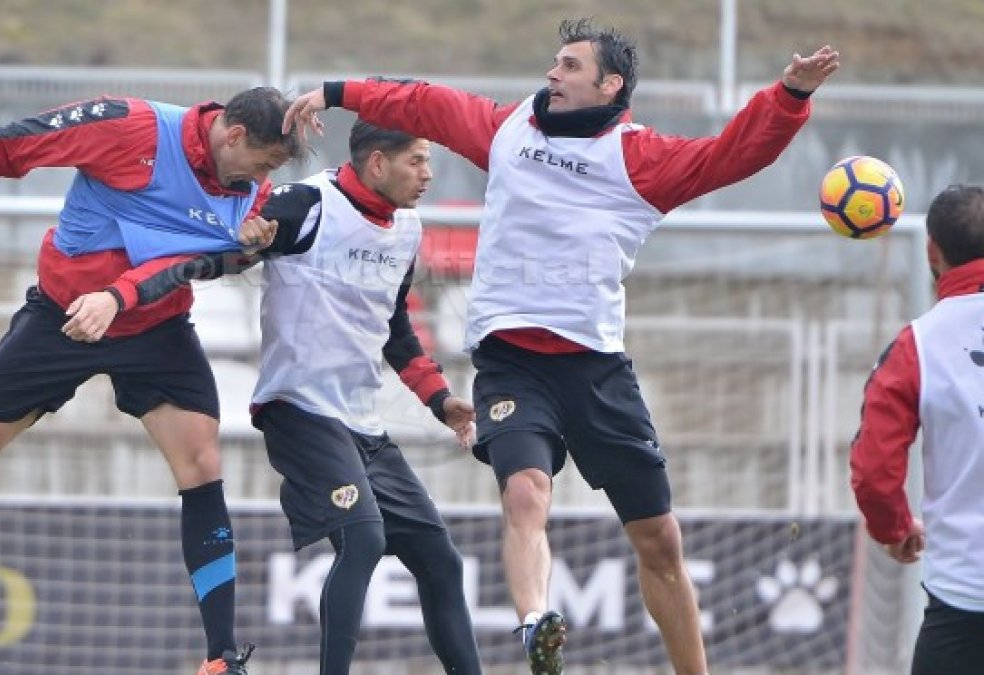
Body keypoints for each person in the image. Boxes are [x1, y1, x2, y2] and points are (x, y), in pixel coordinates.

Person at [282, 17, 839, 675]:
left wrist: (789, 98)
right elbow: (425, 102)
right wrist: (336, 91)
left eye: (571, 66)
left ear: (610, 84)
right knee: (524, 492)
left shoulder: (640, 159)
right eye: (554, 61)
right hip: (511, 362)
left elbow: (732, 154)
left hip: (595, 368)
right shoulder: (510, 129)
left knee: (660, 540)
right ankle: (534, 623)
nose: (553, 73)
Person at [0, 86, 305, 675]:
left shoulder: (254, 197)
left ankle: (221, 658)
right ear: (234, 136)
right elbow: (13, 146)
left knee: (201, 464)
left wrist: (241, 254)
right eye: (266, 162)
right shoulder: (132, 126)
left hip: (154, 327)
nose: (264, 179)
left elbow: (203, 262)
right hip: (60, 318)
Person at [139, 119, 484, 675]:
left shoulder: (408, 229)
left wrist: (441, 401)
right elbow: (227, 256)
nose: (428, 173)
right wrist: (241, 244)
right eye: (417, 160)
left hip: (363, 426)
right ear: (377, 163)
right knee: (363, 538)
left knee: (441, 560)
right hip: (297, 410)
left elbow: (394, 327)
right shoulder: (307, 204)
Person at [850, 184, 984, 675]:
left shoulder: (917, 346)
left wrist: (893, 527)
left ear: (932, 251)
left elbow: (874, 467)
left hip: (966, 602)